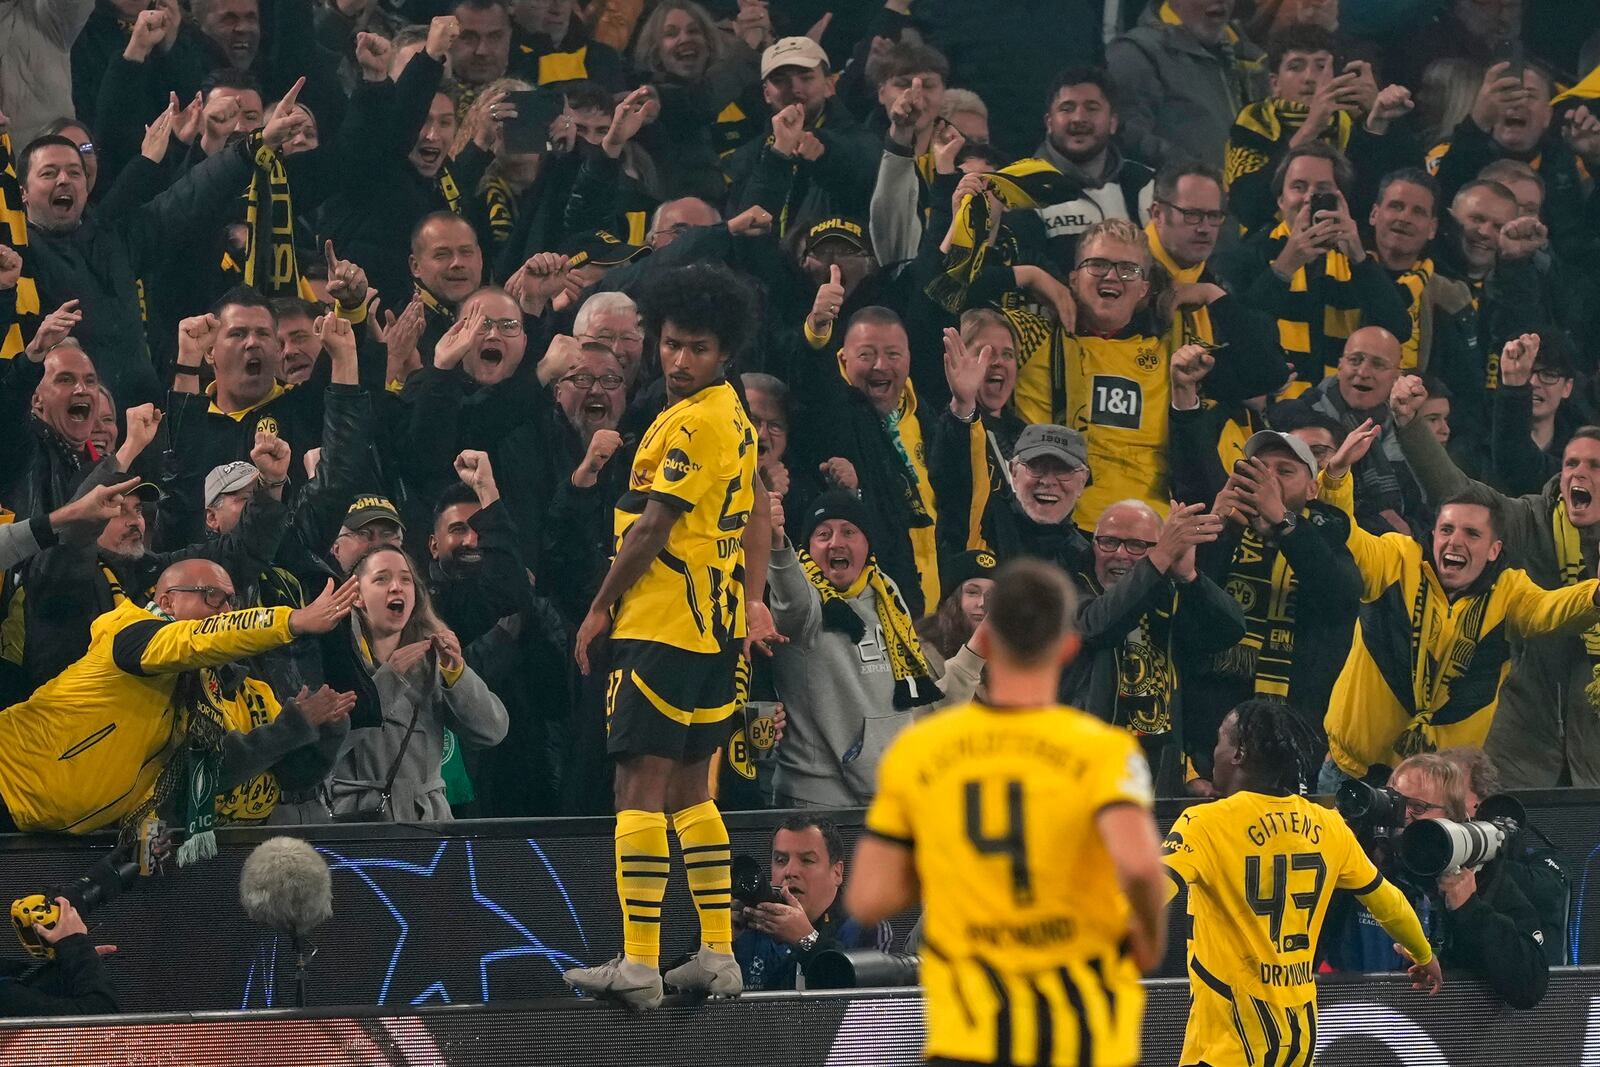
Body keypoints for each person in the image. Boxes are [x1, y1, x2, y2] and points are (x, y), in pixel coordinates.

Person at [848, 559, 1168, 1067]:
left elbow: (869, 897)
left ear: (988, 644)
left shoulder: (922, 751)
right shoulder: (1103, 751)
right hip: (1081, 1026)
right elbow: (1139, 866)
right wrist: (1147, 942)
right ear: (1065, 648)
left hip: (970, 1027)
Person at [564, 264, 776, 1010]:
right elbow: (756, 515)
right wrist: (752, 601)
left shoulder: (692, 422)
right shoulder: (735, 415)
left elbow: (653, 525)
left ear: (726, 351)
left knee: (638, 788)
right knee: (692, 789)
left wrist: (598, 607)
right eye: (672, 344)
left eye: (698, 349)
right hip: (713, 631)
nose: (679, 360)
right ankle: (717, 952)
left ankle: (641, 961)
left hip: (661, 625)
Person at [1164, 699, 1442, 1067]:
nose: (1214, 753)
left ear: (1239, 754)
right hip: (1296, 1042)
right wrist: (1424, 955)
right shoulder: (1328, 826)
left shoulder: (1204, 824)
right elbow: (1388, 902)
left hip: (1230, 1044)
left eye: (1220, 742)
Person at [0, 561, 359, 834]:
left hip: (45, 829)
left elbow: (208, 778)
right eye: (212, 596)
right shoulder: (129, 632)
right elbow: (193, 640)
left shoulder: (201, 691)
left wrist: (312, 729)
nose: (226, 611)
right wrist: (292, 621)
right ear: (167, 601)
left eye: (232, 601)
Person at [1389, 355, 1600, 789]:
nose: (1578, 473)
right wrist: (1411, 428)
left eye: (1594, 466)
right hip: (1520, 742)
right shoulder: (1530, 520)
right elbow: (1459, 494)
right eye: (1571, 464)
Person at [1319, 472, 1600, 791]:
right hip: (1354, 774)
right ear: (1434, 535)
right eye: (1446, 530)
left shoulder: (1508, 592)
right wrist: (1336, 482)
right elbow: (1348, 540)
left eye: (1471, 534)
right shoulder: (1397, 560)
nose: (1455, 541)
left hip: (1441, 789)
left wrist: (1594, 595)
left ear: (1494, 549)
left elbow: (1550, 609)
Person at [1184, 431, 1361, 788]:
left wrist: (1282, 522)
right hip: (1212, 736)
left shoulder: (1330, 533)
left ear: (1312, 489)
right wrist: (1220, 526)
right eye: (1260, 470)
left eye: (1285, 471)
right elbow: (1189, 617)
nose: (1268, 480)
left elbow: (1339, 597)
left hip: (1298, 734)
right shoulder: (1219, 529)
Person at [1325, 753, 1548, 1009]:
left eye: (1417, 808)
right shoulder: (1357, 859)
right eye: (1393, 803)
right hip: (1346, 1021)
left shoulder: (1480, 875)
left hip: (1445, 1031)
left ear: (1453, 819)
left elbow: (1530, 986)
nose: (1401, 818)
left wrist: (1471, 912)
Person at [766, 489, 937, 808]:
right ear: (807, 548)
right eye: (823, 534)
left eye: (849, 531)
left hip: (889, 792)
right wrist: (777, 545)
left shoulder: (886, 591)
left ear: (867, 542)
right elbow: (790, 599)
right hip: (817, 798)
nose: (835, 543)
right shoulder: (807, 605)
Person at [1066, 499, 1245, 792]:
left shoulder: (1168, 593)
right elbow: (1097, 626)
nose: (1121, 555)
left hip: (1158, 770)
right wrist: (1158, 557)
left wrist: (1189, 577)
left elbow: (1229, 630)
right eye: (1109, 542)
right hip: (1084, 770)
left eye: (1137, 545)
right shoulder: (1068, 587)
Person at [328, 545, 508, 820]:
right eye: (381, 579)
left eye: (405, 579)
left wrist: (456, 673)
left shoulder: (432, 661)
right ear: (357, 597)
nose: (396, 587)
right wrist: (388, 681)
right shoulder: (336, 660)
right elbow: (323, 753)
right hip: (356, 823)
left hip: (427, 825)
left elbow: (492, 731)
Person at [732, 815, 892, 992]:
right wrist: (721, 942)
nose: (790, 872)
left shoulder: (865, 927)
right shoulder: (751, 923)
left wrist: (806, 941)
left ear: (836, 873)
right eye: (781, 860)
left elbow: (871, 1007)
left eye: (807, 860)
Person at [1107, 0, 1269, 169]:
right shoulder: (1135, 53)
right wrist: (1195, 173)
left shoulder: (1248, 57)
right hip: (1177, 190)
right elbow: (1128, 135)